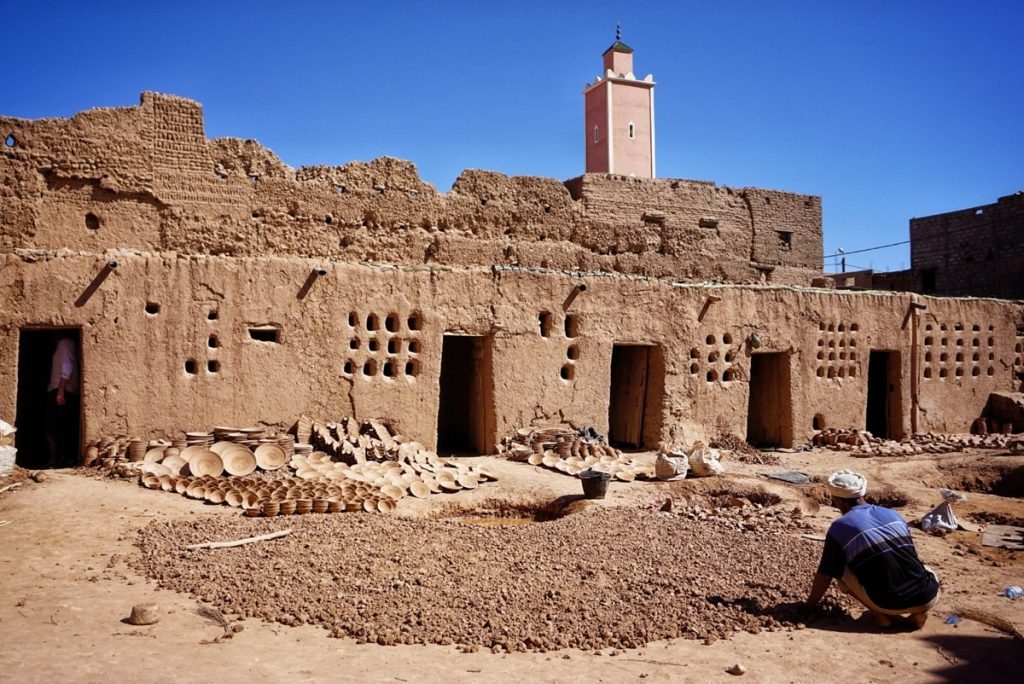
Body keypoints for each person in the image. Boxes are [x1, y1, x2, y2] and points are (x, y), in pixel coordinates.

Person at [804, 469, 939, 629]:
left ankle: (881, 616)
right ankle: (918, 612)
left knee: (839, 569)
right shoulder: (894, 515)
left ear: (840, 501)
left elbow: (825, 573)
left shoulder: (840, 527)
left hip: (886, 603)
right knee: (921, 566)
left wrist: (808, 608)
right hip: (928, 595)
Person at [44, 334, 80, 467]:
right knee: (61, 426)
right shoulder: (65, 345)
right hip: (62, 390)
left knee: (52, 426)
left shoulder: (64, 343)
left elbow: (67, 366)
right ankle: (60, 459)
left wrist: (60, 390)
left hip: (62, 390)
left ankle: (58, 459)